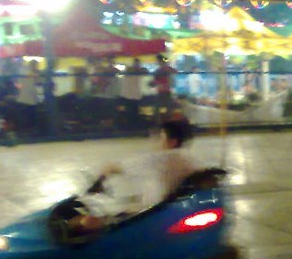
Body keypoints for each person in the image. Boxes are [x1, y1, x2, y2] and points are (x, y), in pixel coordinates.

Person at [70, 117, 199, 232]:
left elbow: (113, 167)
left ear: (172, 142)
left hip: (153, 217)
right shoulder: (189, 158)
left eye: (160, 137)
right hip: (168, 210)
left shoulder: (158, 159)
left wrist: (98, 181)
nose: (155, 141)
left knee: (84, 223)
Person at [120, 58, 146, 130]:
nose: (137, 65)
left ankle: (134, 127)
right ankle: (129, 127)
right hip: (128, 95)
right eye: (135, 64)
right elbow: (127, 71)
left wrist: (140, 70)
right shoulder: (129, 70)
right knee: (129, 111)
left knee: (135, 111)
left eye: (138, 64)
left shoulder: (140, 71)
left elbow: (145, 71)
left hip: (135, 95)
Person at [150, 54, 176, 122]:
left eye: (158, 61)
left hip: (164, 92)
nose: (158, 63)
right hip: (163, 92)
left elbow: (154, 82)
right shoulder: (160, 70)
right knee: (166, 107)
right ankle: (165, 122)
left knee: (160, 108)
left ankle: (162, 122)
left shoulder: (160, 70)